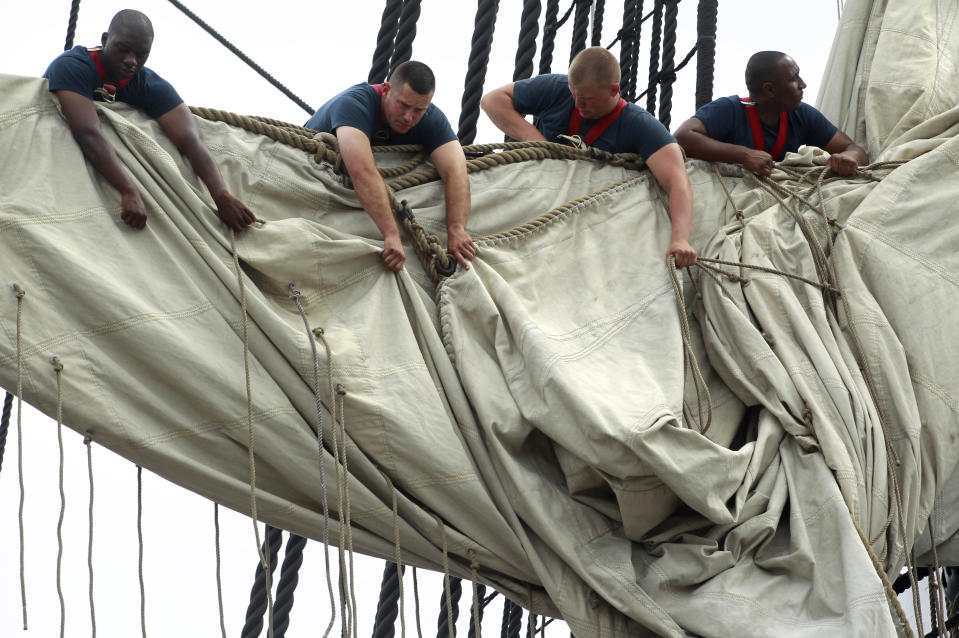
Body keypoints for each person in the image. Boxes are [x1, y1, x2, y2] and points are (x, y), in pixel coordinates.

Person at [481, 47, 697, 267]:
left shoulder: (640, 126)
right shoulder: (557, 89)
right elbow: (492, 100)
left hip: (590, 221)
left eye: (587, 99)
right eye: (573, 94)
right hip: (538, 199)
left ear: (614, 90)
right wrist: (538, 142)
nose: (577, 104)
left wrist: (680, 239)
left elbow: (678, 182)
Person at [43, 10, 255, 232]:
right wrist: (128, 190)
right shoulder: (73, 66)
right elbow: (88, 133)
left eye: (141, 55)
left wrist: (220, 194)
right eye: (123, 49)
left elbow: (190, 139)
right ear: (105, 40)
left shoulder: (147, 84)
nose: (131, 61)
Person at [305, 62, 474, 272]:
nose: (408, 117)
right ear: (386, 90)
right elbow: (362, 171)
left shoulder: (431, 118)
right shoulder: (355, 104)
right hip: (313, 181)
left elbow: (456, 170)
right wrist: (391, 234)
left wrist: (456, 228)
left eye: (419, 110)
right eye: (402, 105)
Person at [674, 51, 867, 177]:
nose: (803, 84)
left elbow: (854, 149)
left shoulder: (802, 115)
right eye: (794, 78)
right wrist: (743, 155)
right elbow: (682, 137)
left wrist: (850, 157)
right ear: (770, 90)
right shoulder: (729, 109)